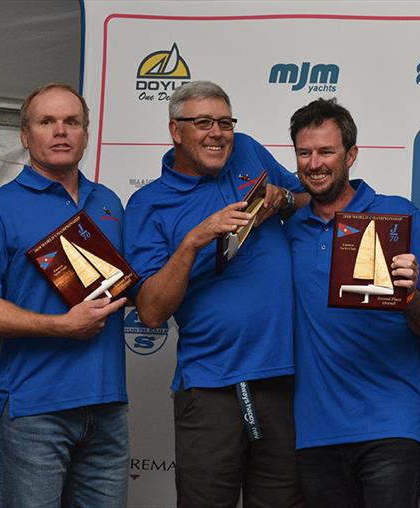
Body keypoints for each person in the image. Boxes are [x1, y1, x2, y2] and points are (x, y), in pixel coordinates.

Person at [123, 80, 308, 507]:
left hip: (281, 378)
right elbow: (150, 312)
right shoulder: (148, 204)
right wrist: (193, 240)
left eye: (224, 121)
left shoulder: (247, 150)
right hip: (211, 388)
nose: (217, 133)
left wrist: (281, 201)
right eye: (203, 122)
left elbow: (304, 199)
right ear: (175, 130)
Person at [0, 83, 129, 507]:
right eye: (46, 121)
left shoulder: (109, 203)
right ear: (25, 135)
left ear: (86, 134)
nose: (60, 131)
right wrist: (59, 327)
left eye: (72, 121)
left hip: (107, 408)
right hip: (34, 410)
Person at [285, 98, 420, 508]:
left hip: (390, 429)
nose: (314, 163)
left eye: (326, 151)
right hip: (315, 433)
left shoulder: (397, 217)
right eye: (305, 152)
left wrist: (409, 297)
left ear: (351, 155)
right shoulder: (289, 228)